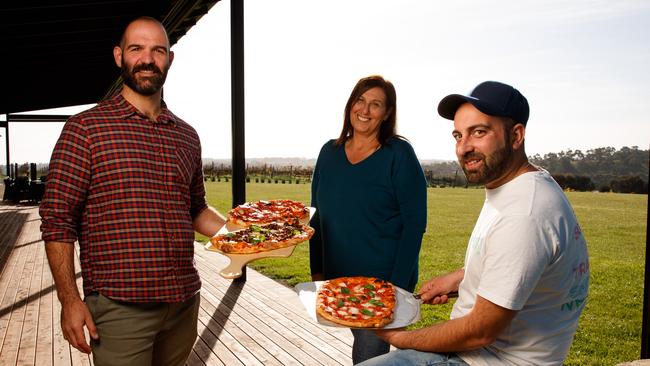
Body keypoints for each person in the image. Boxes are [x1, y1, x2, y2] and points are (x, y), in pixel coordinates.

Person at [358, 81, 590, 366]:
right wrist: (461, 278)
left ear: (516, 136)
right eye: (458, 135)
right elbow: (515, 264)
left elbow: (480, 332)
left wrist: (397, 338)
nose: (464, 147)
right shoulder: (521, 184)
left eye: (479, 132)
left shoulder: (523, 213)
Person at [39, 16, 226, 366]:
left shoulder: (186, 135)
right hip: (119, 308)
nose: (147, 58)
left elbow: (196, 209)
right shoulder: (85, 130)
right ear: (118, 56)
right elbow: (57, 222)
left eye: (158, 50)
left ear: (169, 59)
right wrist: (69, 300)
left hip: (183, 303)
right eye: (136, 48)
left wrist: (243, 234)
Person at [309, 75, 428, 364]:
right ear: (350, 105)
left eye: (376, 104)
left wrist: (396, 289)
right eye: (360, 100)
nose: (365, 110)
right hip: (340, 278)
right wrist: (317, 273)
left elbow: (415, 224)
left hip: (382, 281)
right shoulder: (329, 152)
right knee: (366, 349)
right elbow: (316, 217)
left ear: (387, 113)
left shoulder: (398, 153)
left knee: (368, 355)